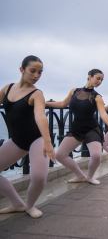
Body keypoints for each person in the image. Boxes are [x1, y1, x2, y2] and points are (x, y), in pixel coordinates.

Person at [0, 56, 56, 219]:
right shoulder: (7, 88)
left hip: (37, 139)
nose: (36, 75)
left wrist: (47, 141)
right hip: (17, 140)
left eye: (40, 72)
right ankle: (17, 204)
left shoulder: (37, 93)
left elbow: (40, 116)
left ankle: (30, 206)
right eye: (33, 71)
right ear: (21, 70)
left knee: (38, 177)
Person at [46, 69, 108, 185]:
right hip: (76, 129)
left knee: (96, 155)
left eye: (102, 80)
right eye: (98, 78)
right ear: (90, 76)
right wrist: (43, 103)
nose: (100, 81)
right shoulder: (74, 91)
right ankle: (80, 176)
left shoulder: (97, 97)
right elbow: (62, 104)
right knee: (60, 155)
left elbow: (103, 114)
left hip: (92, 129)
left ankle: (90, 177)